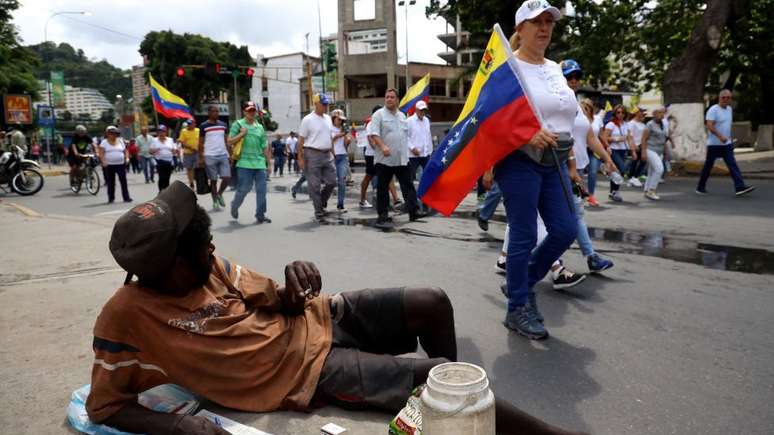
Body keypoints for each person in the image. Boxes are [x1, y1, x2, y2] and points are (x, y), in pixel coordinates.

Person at [86, 181, 587, 435]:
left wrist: (293, 280)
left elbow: (274, 299)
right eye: (200, 246)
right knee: (432, 375)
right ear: (169, 264)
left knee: (433, 302)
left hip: (314, 318)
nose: (212, 246)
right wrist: (175, 425)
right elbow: (104, 405)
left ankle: (438, 420)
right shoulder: (126, 316)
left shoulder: (207, 261)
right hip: (303, 370)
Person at [495, 0, 578, 340]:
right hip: (519, 161)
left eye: (549, 22)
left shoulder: (555, 68)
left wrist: (570, 150)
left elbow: (562, 113)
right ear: (520, 29)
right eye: (536, 22)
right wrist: (526, 133)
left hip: (555, 162)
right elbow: (490, 119)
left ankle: (521, 281)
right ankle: (517, 308)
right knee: (525, 234)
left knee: (565, 229)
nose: (544, 28)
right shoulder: (507, 69)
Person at [561, 60, 616, 273]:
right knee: (572, 215)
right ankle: (589, 257)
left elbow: (590, 136)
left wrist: (606, 158)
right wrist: (572, 168)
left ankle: (508, 257)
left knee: (570, 215)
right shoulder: (560, 102)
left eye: (576, 77)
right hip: (562, 168)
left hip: (578, 168)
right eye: (569, 77)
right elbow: (563, 136)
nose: (573, 81)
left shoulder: (576, 103)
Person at [368, 89, 426, 227]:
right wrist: (382, 146)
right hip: (384, 159)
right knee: (383, 188)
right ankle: (383, 215)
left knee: (408, 185)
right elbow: (374, 134)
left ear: (397, 100)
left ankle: (413, 211)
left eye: (392, 97)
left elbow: (404, 136)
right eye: (387, 97)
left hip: (401, 158)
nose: (389, 99)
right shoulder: (379, 115)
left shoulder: (402, 116)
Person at [696, 89, 755, 197]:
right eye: (723, 97)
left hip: (726, 144)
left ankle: (739, 187)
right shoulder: (713, 110)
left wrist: (729, 138)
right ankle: (700, 187)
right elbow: (709, 125)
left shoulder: (729, 109)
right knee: (708, 166)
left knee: (732, 165)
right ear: (719, 98)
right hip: (714, 145)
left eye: (728, 98)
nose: (726, 100)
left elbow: (727, 125)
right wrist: (720, 136)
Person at [227, 101, 272, 223]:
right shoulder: (238, 124)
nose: (252, 112)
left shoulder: (260, 127)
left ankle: (260, 214)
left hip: (259, 163)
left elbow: (264, 147)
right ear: (244, 112)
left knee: (262, 190)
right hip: (244, 163)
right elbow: (229, 141)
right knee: (244, 189)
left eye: (253, 110)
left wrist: (269, 163)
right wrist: (242, 134)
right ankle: (235, 205)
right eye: (249, 110)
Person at [298, 93, 337, 222]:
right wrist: (301, 158)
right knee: (314, 185)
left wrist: (333, 152)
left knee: (331, 182)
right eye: (323, 104)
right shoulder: (307, 119)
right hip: (312, 154)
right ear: (315, 104)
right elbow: (301, 140)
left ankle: (320, 202)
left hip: (327, 154)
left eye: (327, 104)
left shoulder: (327, 118)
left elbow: (329, 137)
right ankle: (318, 211)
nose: (326, 106)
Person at [199, 105, 232, 210]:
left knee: (227, 177)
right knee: (213, 180)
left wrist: (230, 154)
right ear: (209, 113)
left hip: (223, 154)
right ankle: (215, 201)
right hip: (209, 155)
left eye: (217, 112)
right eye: (213, 112)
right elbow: (200, 143)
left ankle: (219, 194)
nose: (216, 113)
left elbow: (227, 141)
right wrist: (201, 158)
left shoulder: (223, 125)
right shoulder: (203, 126)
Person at [601, 104, 636, 203]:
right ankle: (609, 172)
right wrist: (616, 139)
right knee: (622, 169)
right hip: (613, 150)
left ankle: (613, 192)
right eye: (618, 112)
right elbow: (604, 137)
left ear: (625, 114)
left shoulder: (626, 124)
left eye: (622, 112)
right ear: (615, 113)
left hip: (623, 150)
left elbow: (629, 138)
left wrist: (633, 151)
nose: (620, 114)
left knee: (618, 172)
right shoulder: (611, 124)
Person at [638, 106, 668, 200]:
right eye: (659, 112)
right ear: (654, 114)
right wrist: (643, 152)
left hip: (659, 150)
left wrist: (666, 151)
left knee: (652, 171)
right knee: (659, 169)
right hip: (650, 149)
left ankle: (647, 190)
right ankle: (652, 190)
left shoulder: (663, 124)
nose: (662, 115)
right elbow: (644, 139)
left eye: (663, 112)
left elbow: (664, 139)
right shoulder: (650, 124)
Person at [97, 126, 131, 203]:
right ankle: (111, 197)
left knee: (123, 181)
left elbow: (125, 151)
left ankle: (126, 197)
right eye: (111, 134)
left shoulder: (120, 141)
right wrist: (103, 161)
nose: (113, 135)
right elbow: (101, 153)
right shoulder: (104, 142)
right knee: (111, 182)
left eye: (115, 134)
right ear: (108, 134)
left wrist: (127, 158)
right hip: (109, 165)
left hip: (120, 164)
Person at [407, 100, 433, 182]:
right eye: (421, 110)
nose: (422, 112)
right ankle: (410, 194)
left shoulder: (426, 121)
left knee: (429, 175)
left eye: (424, 110)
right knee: (410, 176)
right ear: (416, 110)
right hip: (413, 155)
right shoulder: (409, 121)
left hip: (425, 154)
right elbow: (405, 137)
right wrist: (412, 148)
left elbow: (428, 136)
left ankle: (426, 193)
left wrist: (430, 151)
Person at [331, 109, 351, 212]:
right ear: (333, 118)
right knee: (330, 182)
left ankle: (340, 203)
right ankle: (324, 199)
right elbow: (328, 142)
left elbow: (346, 144)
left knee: (342, 181)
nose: (340, 121)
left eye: (342, 120)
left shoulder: (344, 129)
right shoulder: (329, 128)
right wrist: (337, 136)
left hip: (342, 156)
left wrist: (348, 140)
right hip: (331, 157)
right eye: (338, 119)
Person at [625, 108, 646, 188]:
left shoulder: (642, 124)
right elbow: (630, 136)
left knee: (643, 161)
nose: (643, 113)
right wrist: (634, 146)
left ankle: (634, 177)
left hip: (642, 145)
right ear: (636, 113)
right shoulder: (631, 123)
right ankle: (632, 178)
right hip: (635, 145)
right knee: (634, 162)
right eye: (641, 112)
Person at [150, 125, 176, 191]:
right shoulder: (154, 140)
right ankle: (161, 190)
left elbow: (174, 150)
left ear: (166, 132)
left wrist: (173, 150)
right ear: (158, 133)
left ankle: (166, 192)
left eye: (163, 131)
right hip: (159, 161)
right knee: (162, 177)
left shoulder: (170, 140)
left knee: (167, 178)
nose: (161, 133)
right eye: (160, 132)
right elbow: (150, 151)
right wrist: (156, 150)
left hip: (169, 161)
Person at [178, 119, 200, 188]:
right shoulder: (184, 131)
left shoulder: (198, 130)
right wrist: (190, 147)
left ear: (194, 124)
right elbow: (182, 141)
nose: (190, 125)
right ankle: (191, 182)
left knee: (197, 168)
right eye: (189, 124)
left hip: (197, 152)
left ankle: (198, 180)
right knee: (189, 168)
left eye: (191, 124)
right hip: (188, 153)